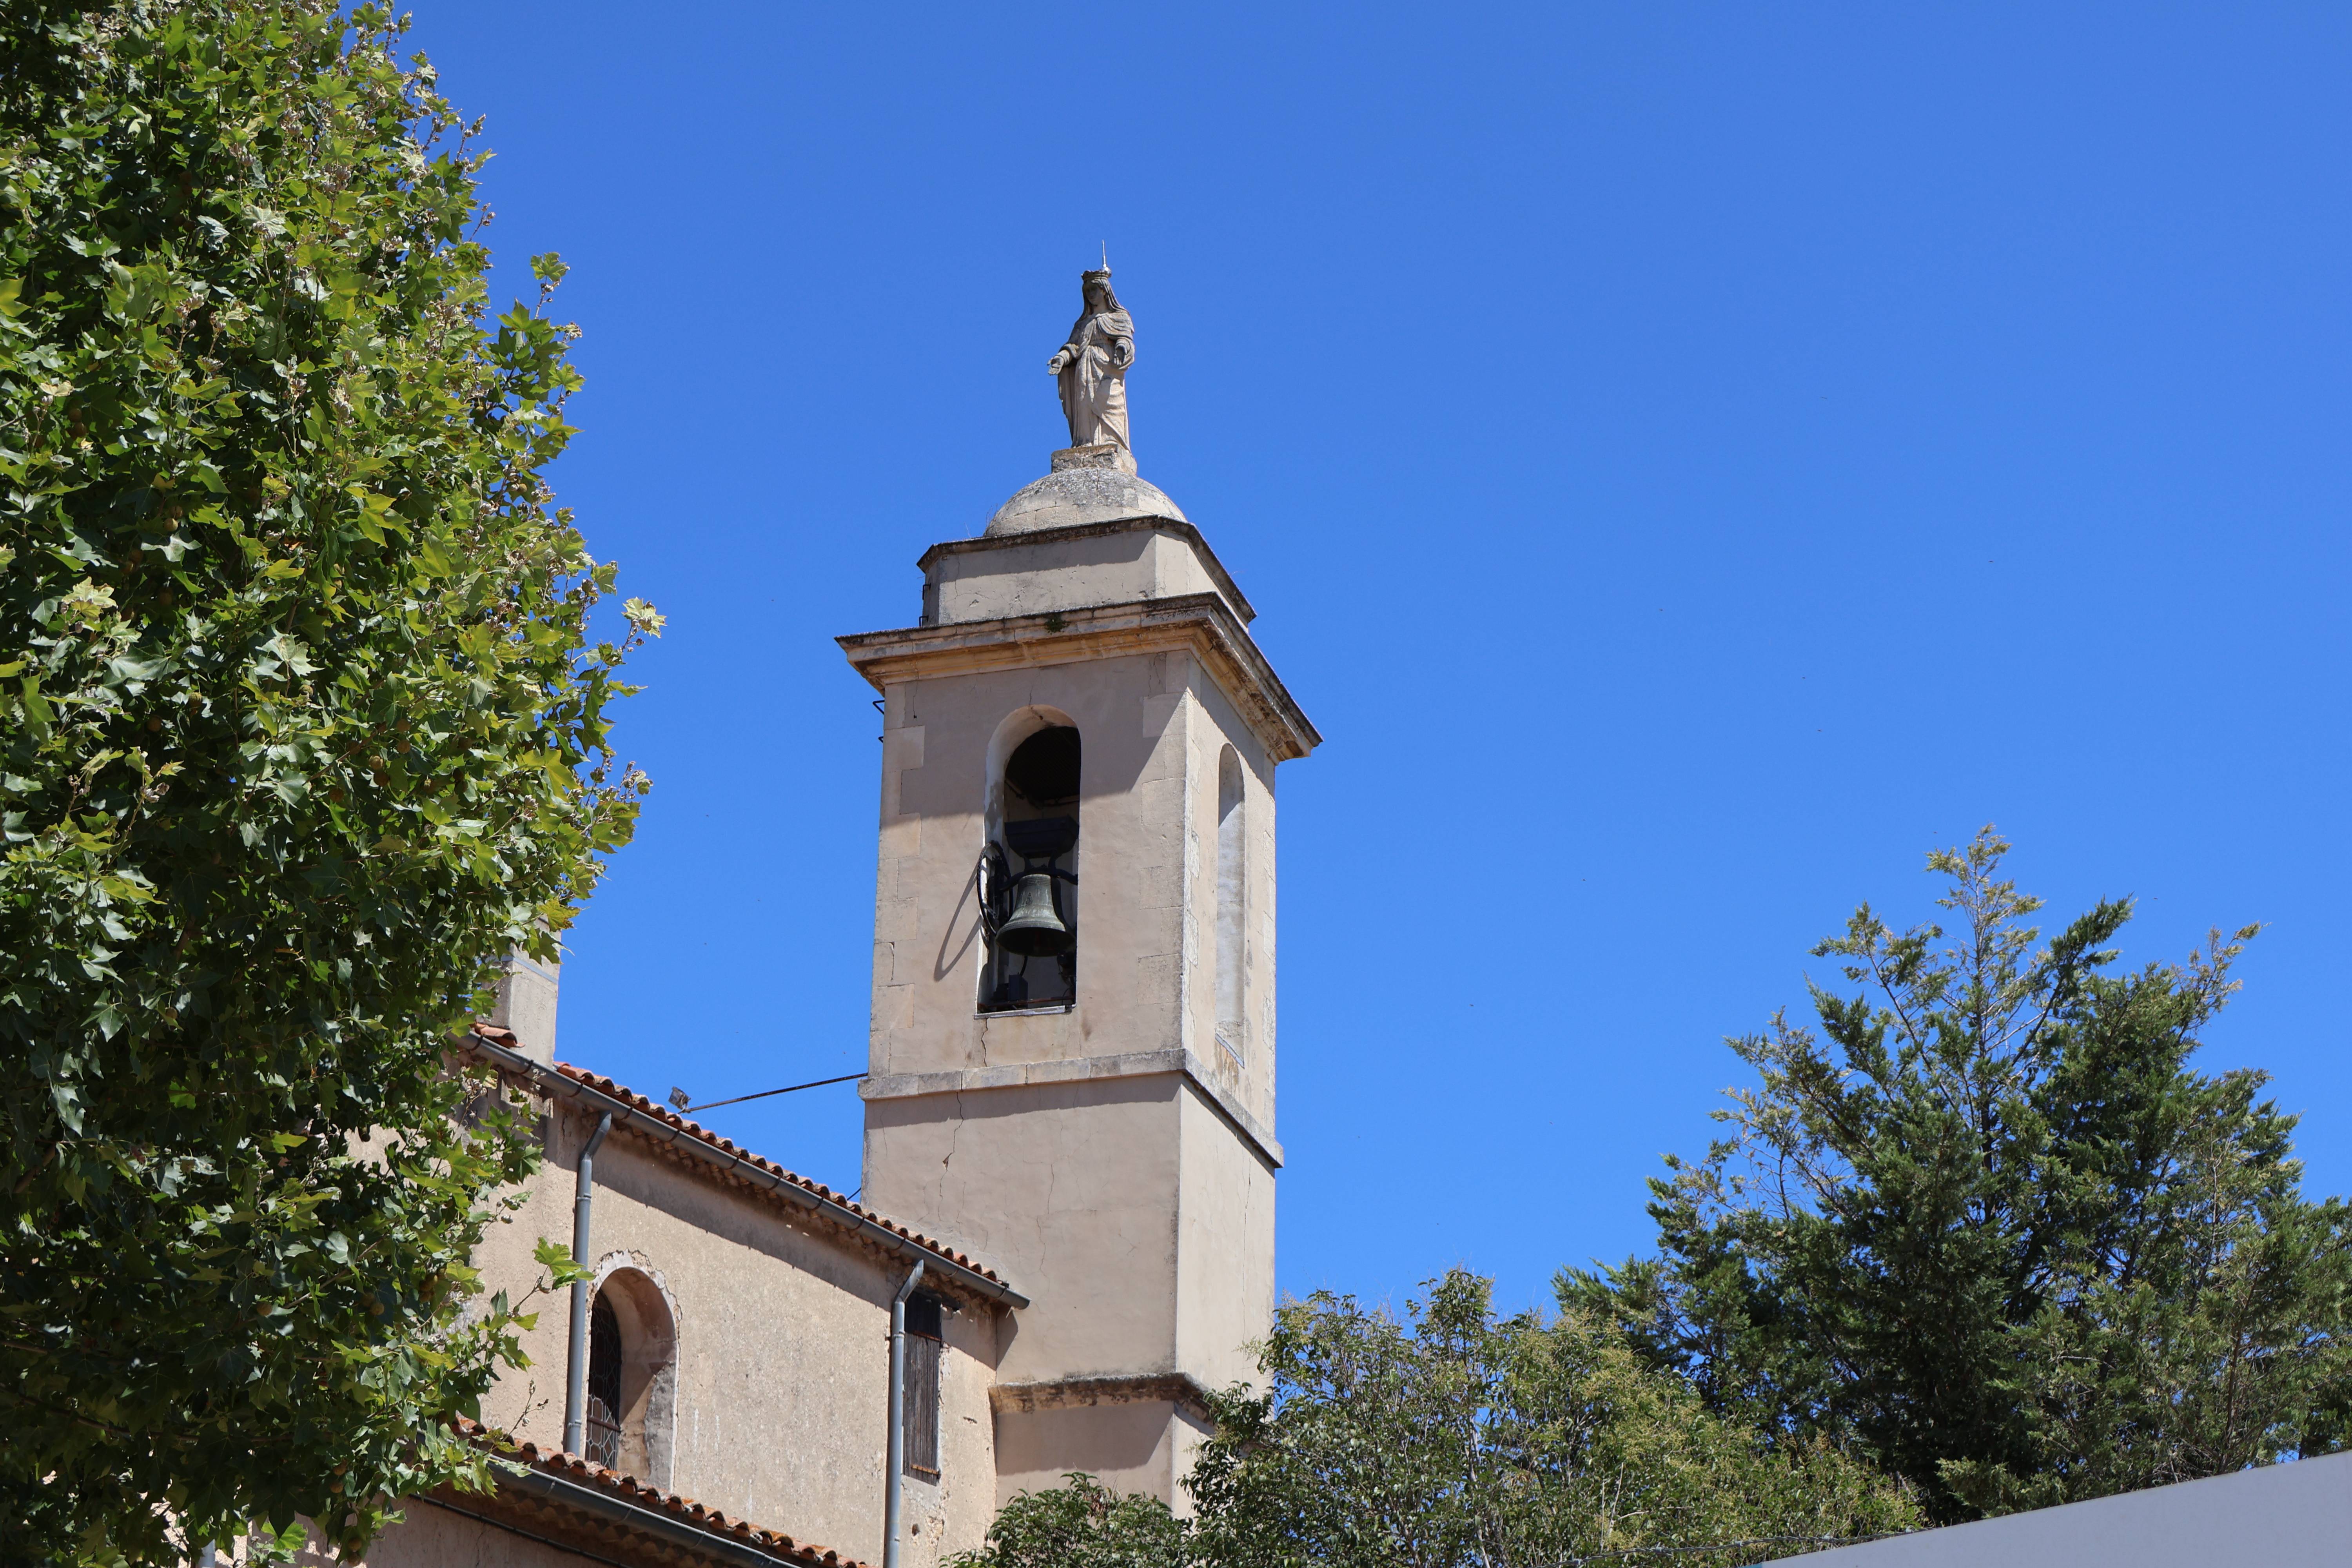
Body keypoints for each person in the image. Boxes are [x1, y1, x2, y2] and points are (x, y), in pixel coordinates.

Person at [1047, 269, 1134, 458]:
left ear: (1105, 290)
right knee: (1085, 404)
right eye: (1087, 291)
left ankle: (1111, 439)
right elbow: (1074, 346)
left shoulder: (1119, 318)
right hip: (1085, 371)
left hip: (1107, 369)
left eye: (1094, 289)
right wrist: (1061, 358)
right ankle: (1085, 441)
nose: (1091, 294)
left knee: (1110, 406)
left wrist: (1121, 347)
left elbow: (1126, 341)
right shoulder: (1083, 324)